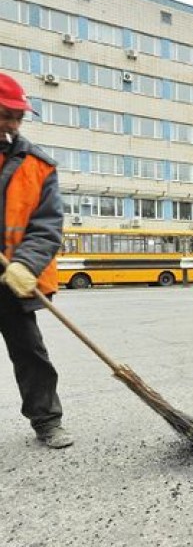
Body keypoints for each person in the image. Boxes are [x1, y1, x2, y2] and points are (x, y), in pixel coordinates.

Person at [0, 72, 73, 448]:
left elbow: (47, 225)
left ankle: (47, 422)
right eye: (4, 114)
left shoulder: (39, 166)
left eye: (17, 117)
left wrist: (25, 265)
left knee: (31, 355)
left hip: (13, 280)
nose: (11, 124)